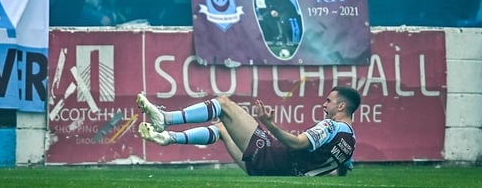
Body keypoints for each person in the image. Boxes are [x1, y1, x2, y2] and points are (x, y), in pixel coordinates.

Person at [136, 87, 361, 177]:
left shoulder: (330, 126)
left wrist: (269, 124)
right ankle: (167, 138)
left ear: (341, 106)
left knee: (224, 104)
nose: (324, 104)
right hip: (272, 172)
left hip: (271, 157)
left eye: (329, 101)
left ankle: (166, 119)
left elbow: (297, 143)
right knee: (222, 128)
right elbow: (342, 171)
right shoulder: (350, 142)